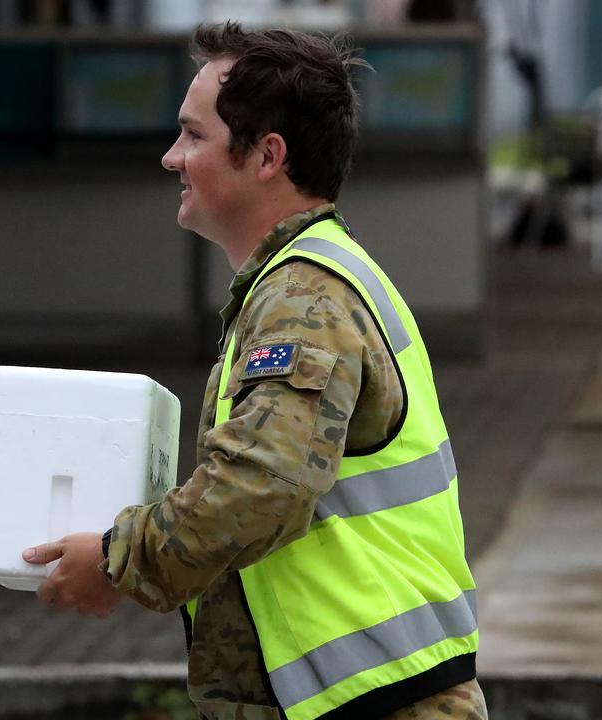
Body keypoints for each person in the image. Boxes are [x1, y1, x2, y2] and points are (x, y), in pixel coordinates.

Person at [24, 23, 487, 720]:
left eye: (193, 136)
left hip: (370, 702)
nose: (170, 157)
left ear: (267, 156)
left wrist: (118, 560)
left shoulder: (305, 299)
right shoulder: (301, 281)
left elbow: (259, 488)